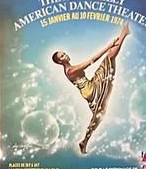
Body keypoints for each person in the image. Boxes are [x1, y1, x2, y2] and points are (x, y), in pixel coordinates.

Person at [52, 24, 130, 153]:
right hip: (91, 90)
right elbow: (91, 60)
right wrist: (108, 46)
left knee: (99, 116)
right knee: (109, 58)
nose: (65, 55)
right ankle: (124, 33)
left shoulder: (69, 69)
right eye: (62, 56)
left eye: (64, 53)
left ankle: (84, 142)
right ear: (60, 62)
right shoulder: (70, 70)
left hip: (90, 86)